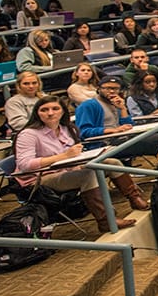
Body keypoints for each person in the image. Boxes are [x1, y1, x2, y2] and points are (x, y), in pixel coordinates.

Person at [15, 95, 143, 231]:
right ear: (37, 113)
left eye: (55, 108)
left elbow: (74, 154)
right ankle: (106, 220)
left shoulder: (67, 128)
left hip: (69, 169)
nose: (50, 113)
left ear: (63, 111)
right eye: (44, 110)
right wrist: (63, 156)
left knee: (112, 162)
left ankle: (135, 199)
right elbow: (25, 165)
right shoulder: (28, 134)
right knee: (87, 175)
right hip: (39, 179)